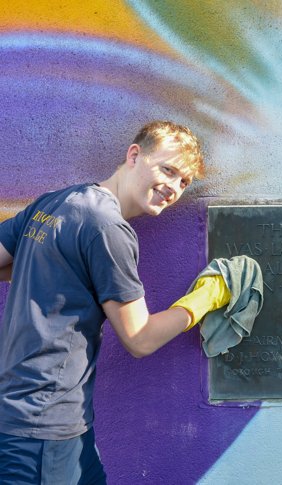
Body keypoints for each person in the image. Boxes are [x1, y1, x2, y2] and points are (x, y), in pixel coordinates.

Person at [0, 121, 230, 483]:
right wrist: (206, 299)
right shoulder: (109, 229)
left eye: (184, 182)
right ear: (135, 155)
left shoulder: (57, 201)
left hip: (29, 415)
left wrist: (54, 270)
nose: (173, 187)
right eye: (167, 170)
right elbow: (140, 339)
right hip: (46, 429)